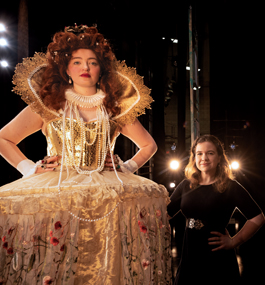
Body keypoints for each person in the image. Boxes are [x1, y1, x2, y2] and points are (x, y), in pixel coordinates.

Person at [0, 25, 171, 284]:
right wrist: (27, 167)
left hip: (106, 193)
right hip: (58, 189)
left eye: (92, 62)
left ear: (101, 68)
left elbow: (149, 145)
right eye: (77, 61)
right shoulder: (49, 105)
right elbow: (3, 138)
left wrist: (125, 167)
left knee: (104, 259)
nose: (85, 67)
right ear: (66, 68)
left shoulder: (113, 108)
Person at [167, 134, 264, 285]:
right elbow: (165, 214)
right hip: (190, 254)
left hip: (217, 256)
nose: (204, 158)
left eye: (210, 153)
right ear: (194, 158)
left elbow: (257, 217)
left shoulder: (230, 186)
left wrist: (234, 242)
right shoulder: (186, 185)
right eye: (199, 154)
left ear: (219, 158)